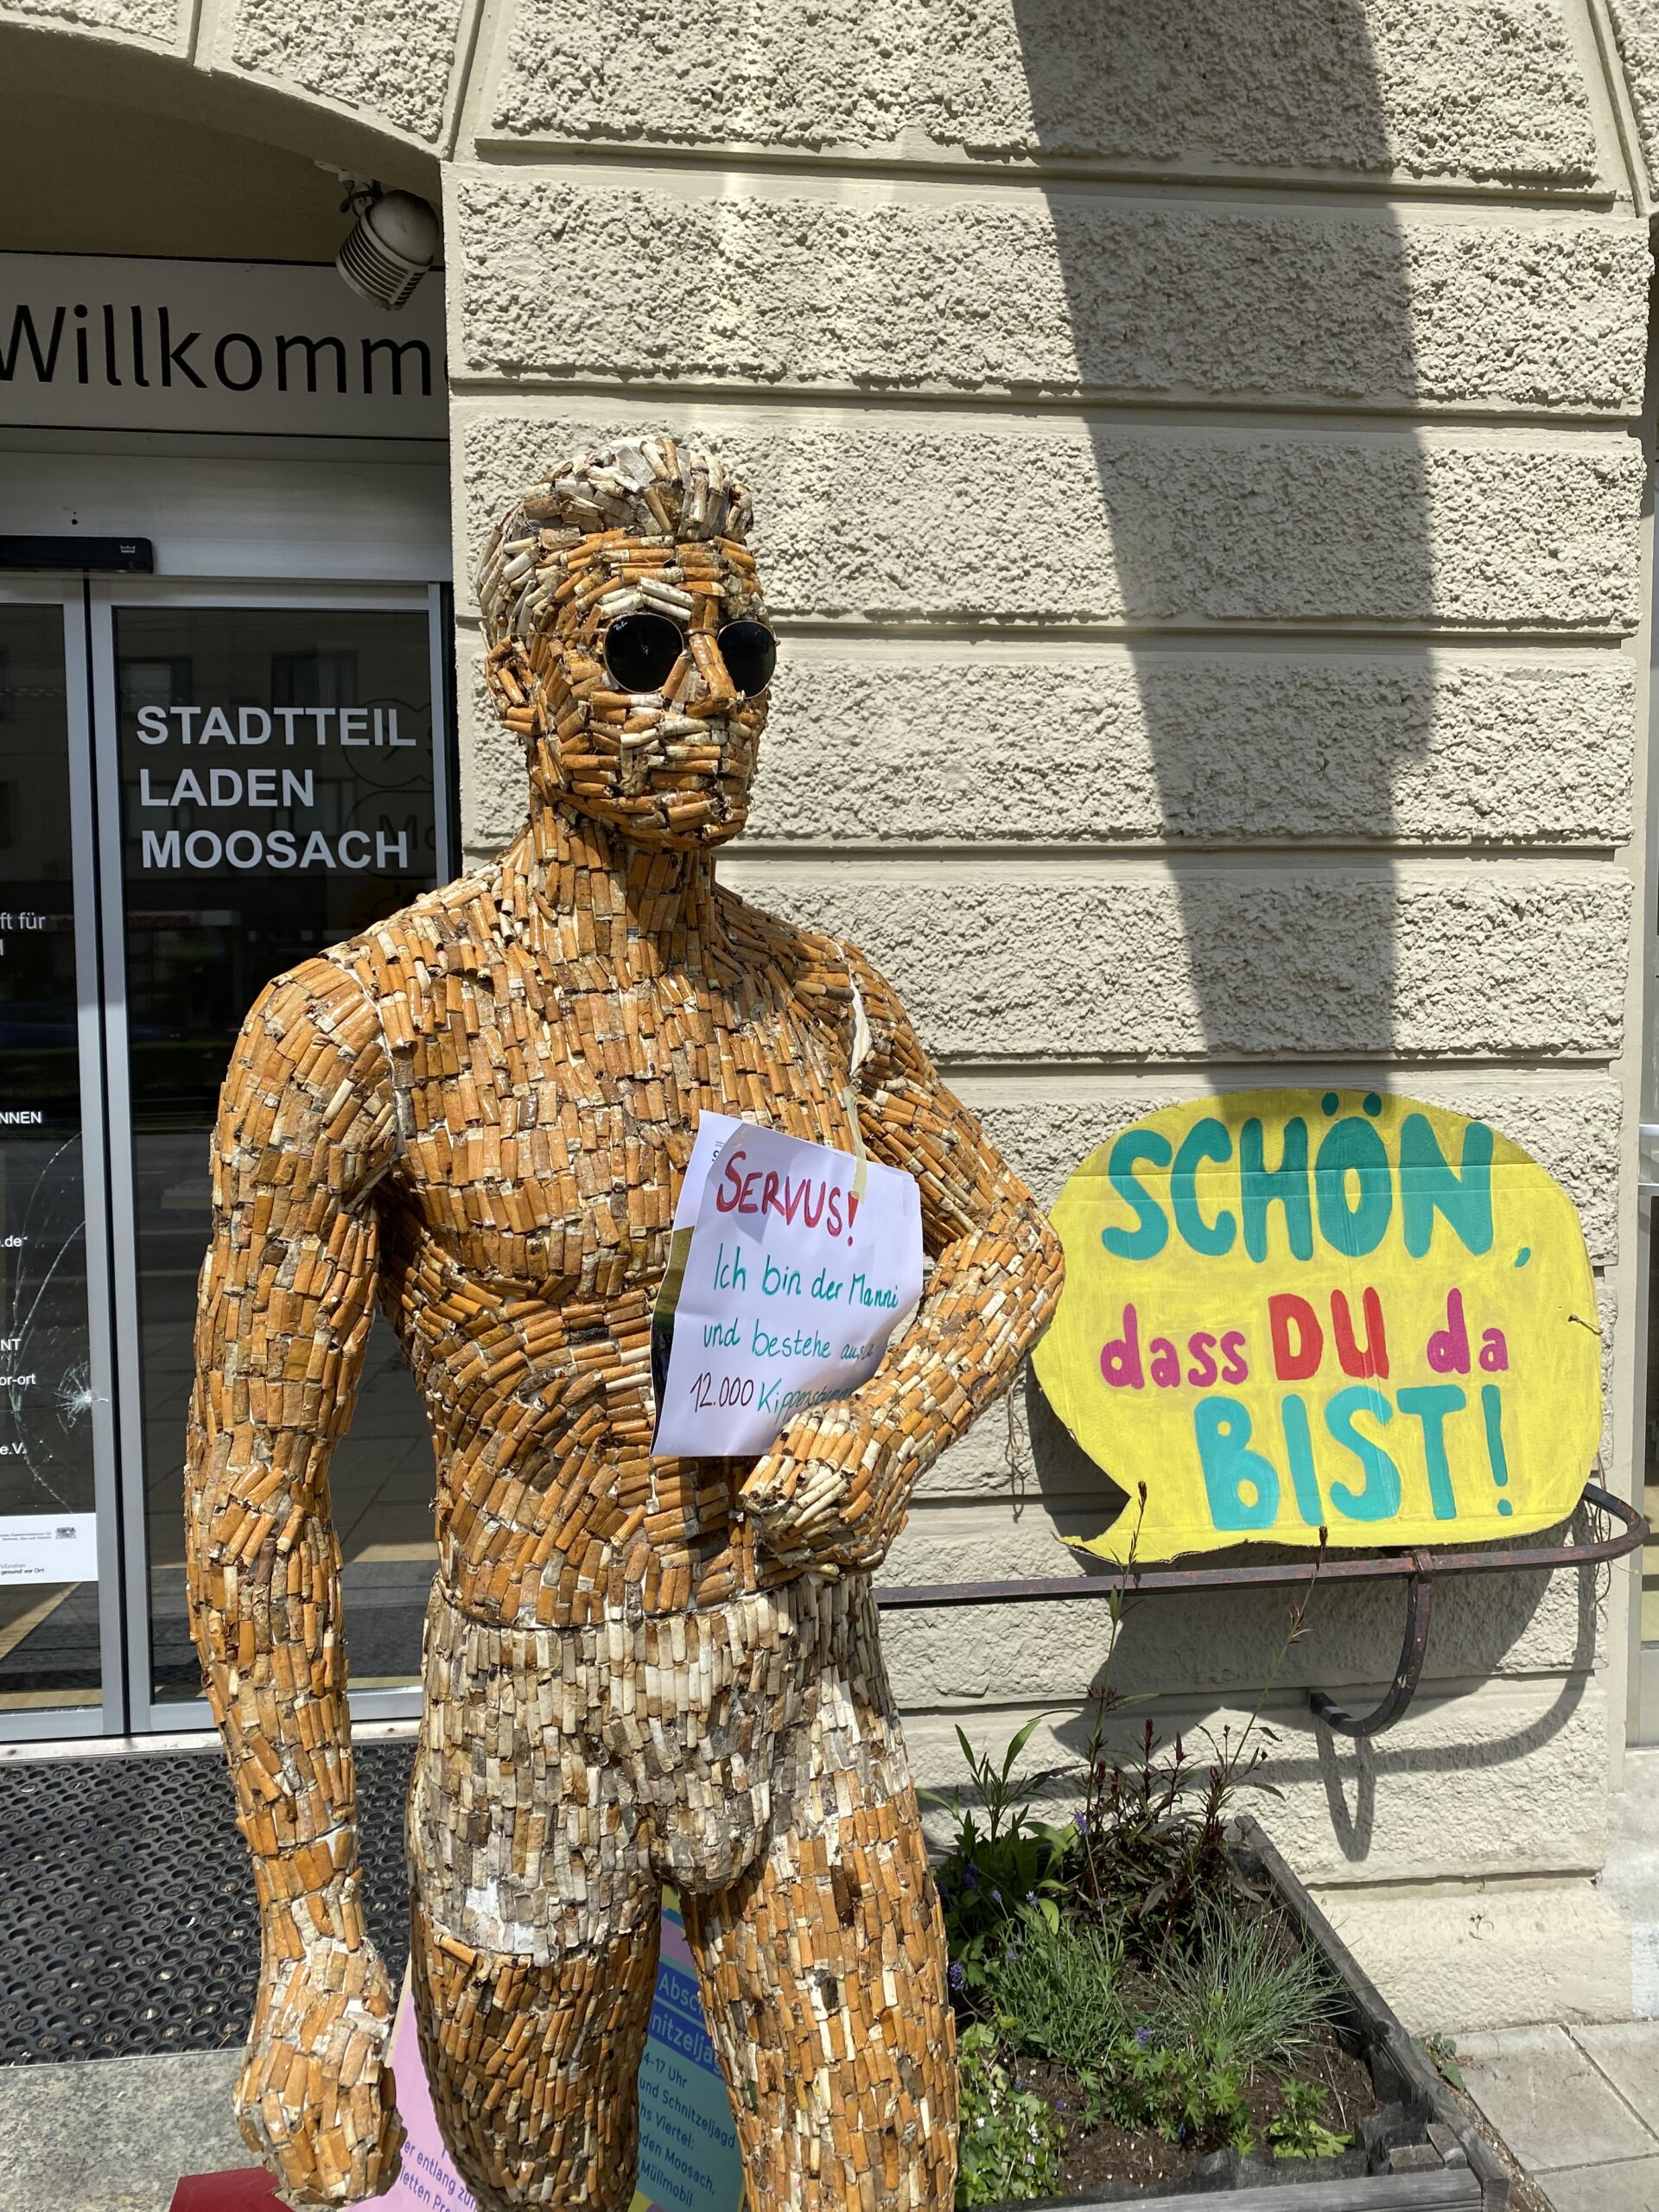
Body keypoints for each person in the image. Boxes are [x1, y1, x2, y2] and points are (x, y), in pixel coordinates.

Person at [185, 437, 1063, 2210]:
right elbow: (253, 1499)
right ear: (519, 685)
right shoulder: (369, 1027)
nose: (715, 694)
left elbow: (1011, 1244)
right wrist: (308, 1935)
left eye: (747, 649)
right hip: (530, 1714)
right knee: (542, 2186)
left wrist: (887, 1431)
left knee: (884, 2166)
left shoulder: (818, 1001)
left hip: (793, 1679)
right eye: (647, 647)